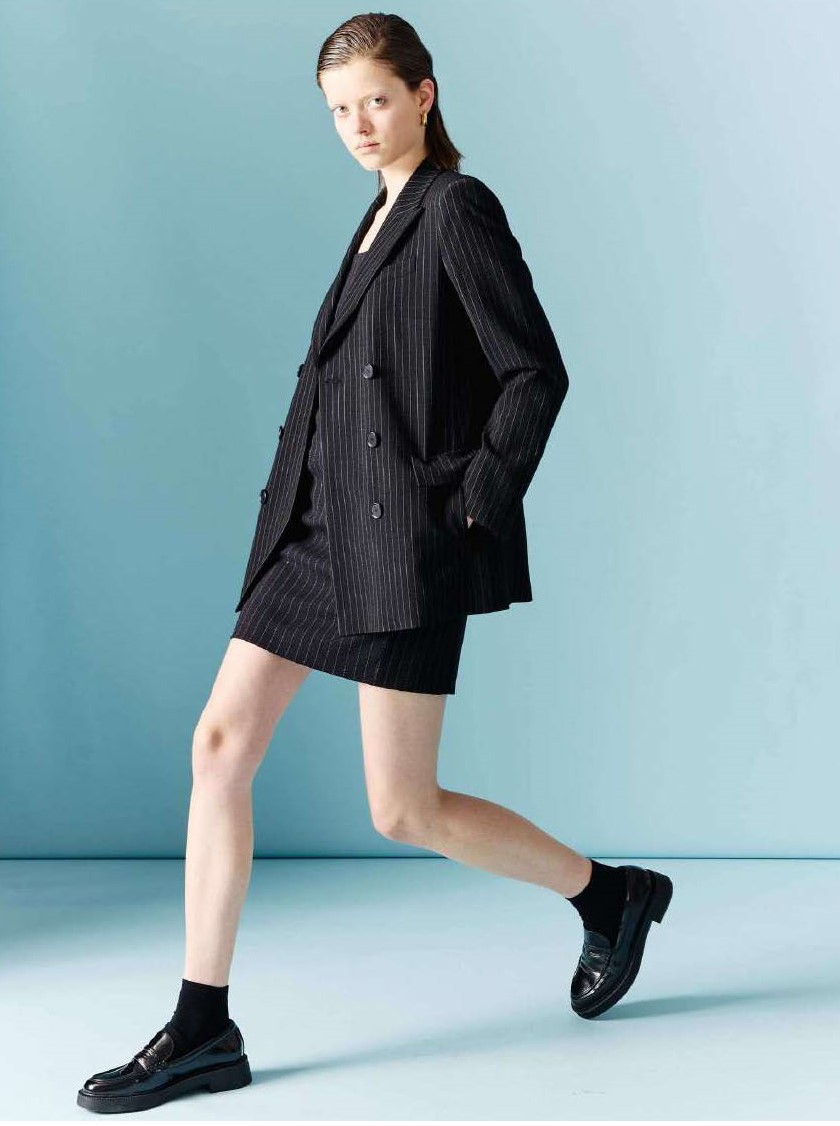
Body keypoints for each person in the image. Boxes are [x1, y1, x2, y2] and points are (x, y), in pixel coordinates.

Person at [77, 12, 673, 1115]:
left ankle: (611, 895)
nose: (358, 125)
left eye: (377, 101)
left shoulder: (454, 207)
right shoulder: (378, 213)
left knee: (403, 810)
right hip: (311, 534)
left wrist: (471, 508)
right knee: (219, 746)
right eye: (339, 110)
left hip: (404, 541)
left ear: (424, 95)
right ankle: (204, 1025)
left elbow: (534, 372)